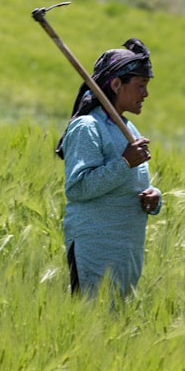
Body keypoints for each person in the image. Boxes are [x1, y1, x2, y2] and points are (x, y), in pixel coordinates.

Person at [55, 38, 162, 298]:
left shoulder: (128, 128)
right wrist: (124, 162)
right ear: (116, 85)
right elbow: (78, 188)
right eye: (140, 86)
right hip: (95, 249)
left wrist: (153, 197)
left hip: (125, 251)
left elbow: (128, 183)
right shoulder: (87, 127)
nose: (145, 94)